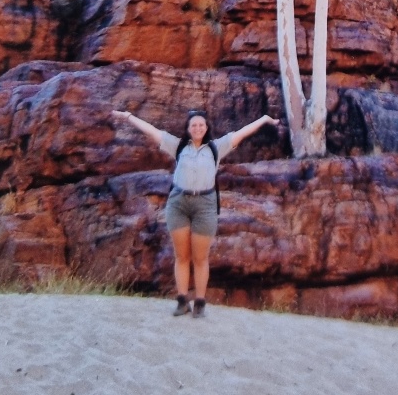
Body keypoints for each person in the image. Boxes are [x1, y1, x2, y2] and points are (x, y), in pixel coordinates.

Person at [112, 106, 279, 317]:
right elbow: (152, 131)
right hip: (179, 203)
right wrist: (128, 117)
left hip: (205, 205)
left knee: (200, 258)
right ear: (188, 128)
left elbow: (242, 133)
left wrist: (264, 119)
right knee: (182, 256)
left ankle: (199, 302)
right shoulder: (178, 146)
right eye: (194, 125)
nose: (198, 128)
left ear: (206, 127)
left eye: (201, 125)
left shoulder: (217, 147)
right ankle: (182, 301)